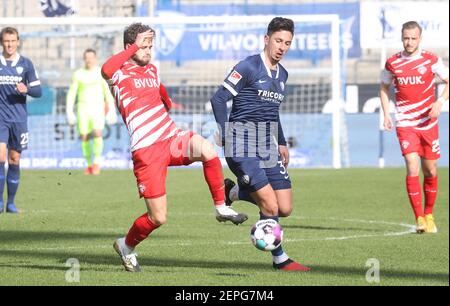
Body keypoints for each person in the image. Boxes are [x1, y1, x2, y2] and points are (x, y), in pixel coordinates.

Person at [101, 23, 248, 272]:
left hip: (170, 137)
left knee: (207, 150)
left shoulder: (152, 70)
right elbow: (105, 69)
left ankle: (221, 206)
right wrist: (134, 48)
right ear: (129, 47)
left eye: (150, 46)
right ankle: (126, 246)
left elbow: (161, 93)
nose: (148, 51)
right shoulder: (118, 73)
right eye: (142, 46)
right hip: (146, 150)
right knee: (158, 217)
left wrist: (168, 103)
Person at [211, 17, 310, 271]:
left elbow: (272, 112)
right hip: (241, 145)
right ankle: (280, 260)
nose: (282, 47)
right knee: (270, 205)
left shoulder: (283, 74)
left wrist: (281, 142)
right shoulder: (248, 67)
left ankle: (232, 192)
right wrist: (225, 131)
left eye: (287, 43)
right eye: (278, 41)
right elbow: (218, 99)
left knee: (285, 208)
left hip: (267, 146)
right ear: (266, 39)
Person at [380, 21, 449, 234]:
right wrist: (386, 114)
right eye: (406, 38)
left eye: (413, 38)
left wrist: (439, 102)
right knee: (412, 165)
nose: (409, 42)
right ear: (402, 38)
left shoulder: (431, 60)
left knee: (430, 170)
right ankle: (418, 217)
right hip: (406, 123)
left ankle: (429, 214)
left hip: (428, 123)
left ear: (420, 38)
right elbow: (383, 86)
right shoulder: (392, 63)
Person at [0, 27, 42, 214]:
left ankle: (11, 203)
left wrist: (26, 89)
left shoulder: (26, 64)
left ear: (18, 42)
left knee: (14, 159)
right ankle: (0, 203)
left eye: (12, 41)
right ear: (2, 42)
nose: (9, 44)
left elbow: (38, 91)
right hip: (1, 118)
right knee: (0, 157)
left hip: (19, 119)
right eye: (6, 41)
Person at [66, 49, 117, 175]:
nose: (89, 60)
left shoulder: (101, 73)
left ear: (95, 59)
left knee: (98, 133)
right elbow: (72, 93)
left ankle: (97, 163)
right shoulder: (78, 74)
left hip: (97, 108)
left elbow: (107, 92)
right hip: (82, 109)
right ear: (84, 59)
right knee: (84, 136)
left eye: (91, 57)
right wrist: (69, 111)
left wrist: (111, 109)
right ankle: (89, 164)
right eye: (87, 58)